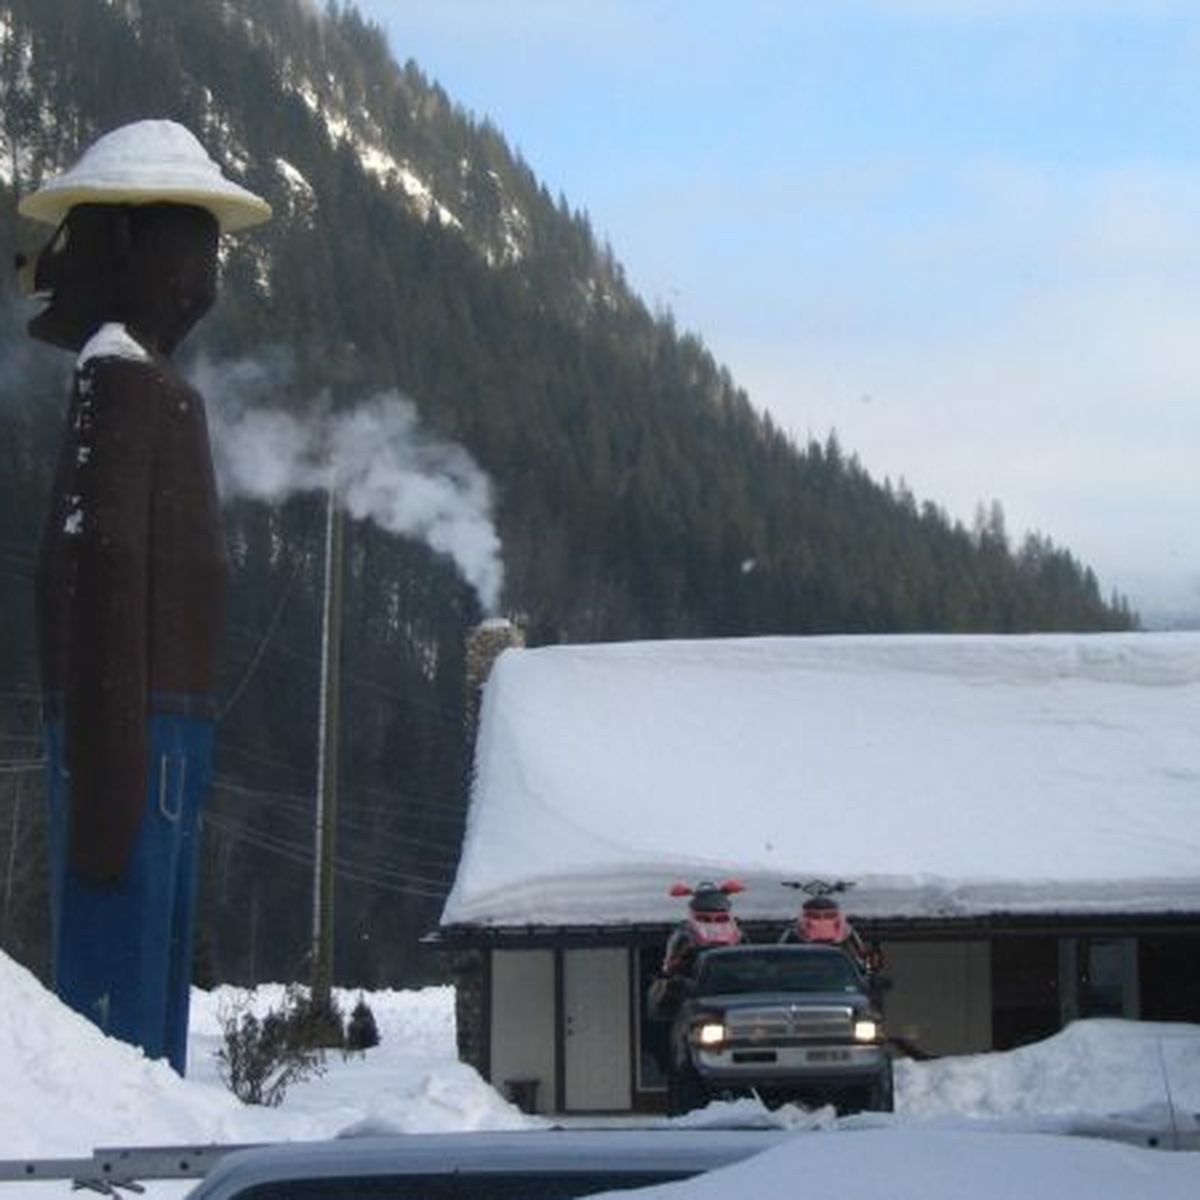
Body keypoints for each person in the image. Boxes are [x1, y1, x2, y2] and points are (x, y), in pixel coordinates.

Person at [17, 120, 270, 1072]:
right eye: (196, 241)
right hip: (126, 729)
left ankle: (144, 1099)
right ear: (144, 249)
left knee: (149, 939)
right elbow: (105, 559)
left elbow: (108, 558)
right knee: (124, 948)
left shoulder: (142, 379)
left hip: (155, 726)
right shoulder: (119, 375)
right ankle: (119, 1114)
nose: (206, 271)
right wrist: (112, 766)